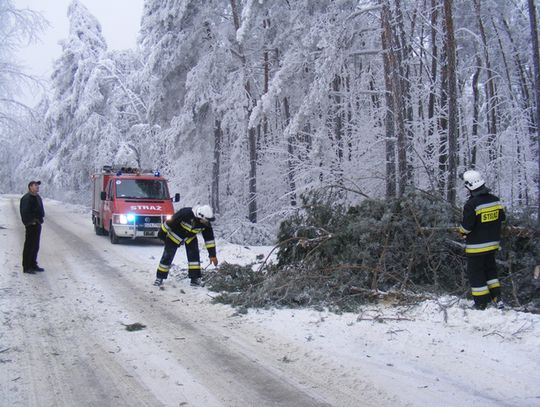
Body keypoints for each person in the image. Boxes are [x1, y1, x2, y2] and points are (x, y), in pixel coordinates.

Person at [458, 170, 506, 310]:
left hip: (477, 247)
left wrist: (460, 231)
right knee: (490, 271)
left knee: (476, 273)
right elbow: (502, 218)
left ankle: (481, 303)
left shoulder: (471, 204)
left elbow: (466, 227)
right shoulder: (495, 200)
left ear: (470, 186)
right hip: (492, 245)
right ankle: (497, 297)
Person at [154, 205, 218, 287]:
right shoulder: (185, 213)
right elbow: (169, 223)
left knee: (194, 257)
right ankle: (160, 277)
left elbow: (209, 240)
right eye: (206, 220)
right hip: (175, 236)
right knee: (167, 256)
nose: (207, 222)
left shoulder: (206, 225)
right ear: (200, 216)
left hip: (190, 238)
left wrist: (212, 255)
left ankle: (194, 279)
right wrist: (162, 235)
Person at [20, 180, 45, 274]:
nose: (37, 187)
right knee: (29, 246)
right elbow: (24, 212)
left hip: (37, 224)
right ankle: (26, 267)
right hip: (31, 225)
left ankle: (33, 264)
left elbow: (41, 209)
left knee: (35, 245)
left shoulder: (38, 197)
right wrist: (31, 222)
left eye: (38, 185)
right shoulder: (26, 198)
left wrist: (40, 219)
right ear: (30, 187)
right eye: (35, 185)